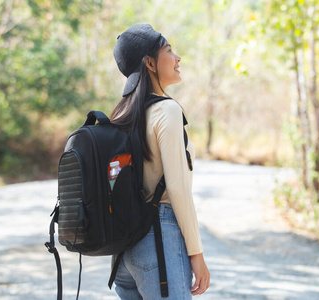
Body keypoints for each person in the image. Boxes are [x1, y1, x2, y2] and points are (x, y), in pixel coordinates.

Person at [110, 24, 210, 299]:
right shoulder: (167, 109)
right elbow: (177, 189)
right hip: (159, 239)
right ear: (150, 63)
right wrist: (196, 254)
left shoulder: (124, 113)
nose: (178, 58)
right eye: (169, 51)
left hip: (125, 252)